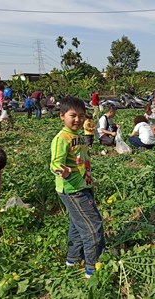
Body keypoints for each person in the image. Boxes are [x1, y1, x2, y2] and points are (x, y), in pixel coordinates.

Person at [50, 96, 105, 279]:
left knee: (76, 224)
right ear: (62, 116)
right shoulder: (62, 138)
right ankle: (93, 267)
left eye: (81, 116)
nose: (78, 120)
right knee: (93, 226)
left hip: (82, 186)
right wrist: (62, 171)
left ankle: (72, 259)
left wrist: (89, 180)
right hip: (72, 189)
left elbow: (82, 162)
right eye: (73, 115)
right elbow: (54, 164)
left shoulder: (78, 137)